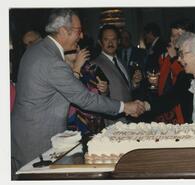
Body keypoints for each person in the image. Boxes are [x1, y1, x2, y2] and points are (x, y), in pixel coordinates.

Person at [11, 9, 145, 175]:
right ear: (62, 32)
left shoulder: (37, 49)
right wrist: (125, 107)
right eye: (77, 31)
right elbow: (85, 99)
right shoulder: (52, 61)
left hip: (26, 135)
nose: (81, 36)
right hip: (37, 141)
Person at [91, 24, 140, 126]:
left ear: (118, 41)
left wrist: (134, 83)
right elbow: (95, 97)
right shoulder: (95, 64)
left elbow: (125, 89)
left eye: (113, 39)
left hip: (130, 118)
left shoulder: (122, 62)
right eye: (106, 39)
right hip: (112, 121)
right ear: (100, 42)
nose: (110, 43)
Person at [153, 19, 193, 124]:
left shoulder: (192, 56)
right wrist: (155, 82)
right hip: (166, 106)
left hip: (181, 106)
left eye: (180, 35)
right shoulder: (164, 56)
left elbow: (184, 78)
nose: (175, 39)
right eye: (173, 35)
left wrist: (174, 58)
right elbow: (164, 81)